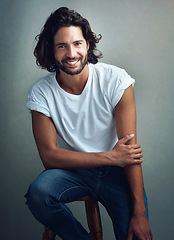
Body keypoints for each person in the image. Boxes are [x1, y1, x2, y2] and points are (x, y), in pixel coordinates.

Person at [25, 7, 152, 240]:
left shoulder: (116, 80)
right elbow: (49, 156)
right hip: (75, 169)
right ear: (51, 51)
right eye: (61, 46)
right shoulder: (41, 93)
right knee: (39, 193)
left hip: (117, 173)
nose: (71, 54)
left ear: (88, 45)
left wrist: (140, 214)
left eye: (77, 44)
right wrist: (110, 156)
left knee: (134, 234)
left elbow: (129, 154)